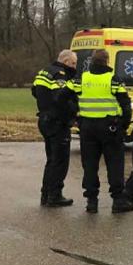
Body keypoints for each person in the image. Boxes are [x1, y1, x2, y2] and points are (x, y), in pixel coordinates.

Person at [64, 49, 133, 214]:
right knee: (114, 164)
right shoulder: (113, 79)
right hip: (110, 127)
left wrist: (75, 114)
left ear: (92, 61)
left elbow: (61, 96)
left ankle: (91, 201)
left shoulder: (81, 78)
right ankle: (118, 200)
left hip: (87, 127)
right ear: (107, 61)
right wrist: (123, 126)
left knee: (89, 165)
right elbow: (126, 105)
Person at [32, 50, 79, 207]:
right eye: (73, 63)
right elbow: (61, 99)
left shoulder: (44, 71)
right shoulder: (60, 74)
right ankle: (55, 195)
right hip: (57, 122)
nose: (75, 66)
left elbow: (34, 91)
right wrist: (74, 114)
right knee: (59, 161)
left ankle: (46, 193)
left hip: (44, 120)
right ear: (65, 61)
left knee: (51, 160)